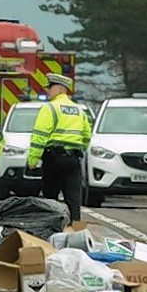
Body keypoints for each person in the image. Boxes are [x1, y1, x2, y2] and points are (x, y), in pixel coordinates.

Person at [25, 73, 92, 222]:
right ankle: (76, 233)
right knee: (74, 200)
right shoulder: (78, 110)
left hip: (54, 159)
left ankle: (51, 233)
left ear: (61, 89)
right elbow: (87, 135)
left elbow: (39, 136)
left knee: (50, 199)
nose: (48, 91)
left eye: (50, 88)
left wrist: (33, 160)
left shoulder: (50, 108)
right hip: (73, 160)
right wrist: (80, 149)